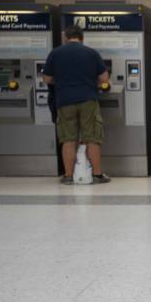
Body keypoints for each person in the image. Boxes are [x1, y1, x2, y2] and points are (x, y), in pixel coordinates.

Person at [42, 25, 111, 185]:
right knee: (92, 138)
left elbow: (46, 79)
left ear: (66, 37)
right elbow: (104, 78)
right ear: (82, 38)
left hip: (64, 100)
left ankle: (67, 176)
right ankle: (97, 175)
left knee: (68, 139)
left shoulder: (56, 53)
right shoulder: (91, 53)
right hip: (88, 100)